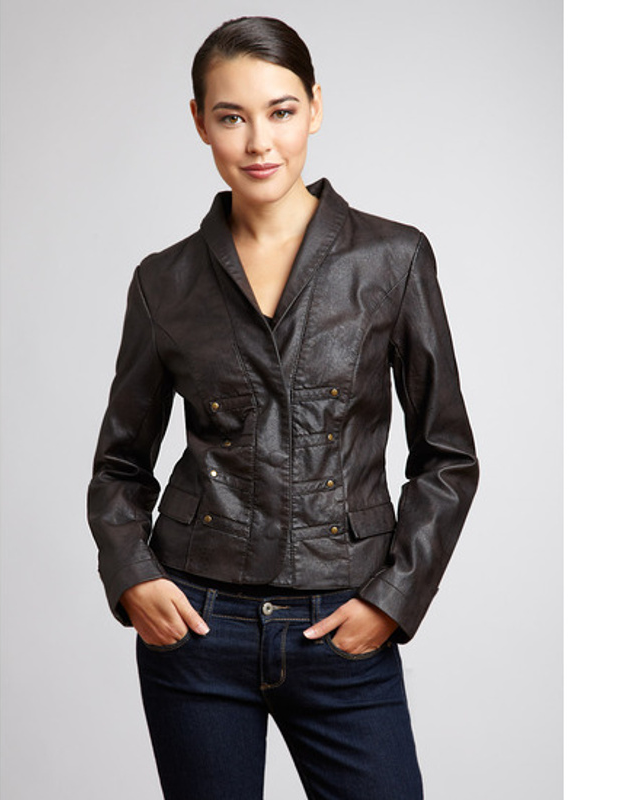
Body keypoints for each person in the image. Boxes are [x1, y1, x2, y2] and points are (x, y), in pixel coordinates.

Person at [87, 15, 479, 800]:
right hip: (197, 628)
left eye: (281, 111)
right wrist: (132, 575)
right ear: (199, 122)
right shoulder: (164, 281)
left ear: (316, 107)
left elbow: (447, 457)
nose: (259, 141)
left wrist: (393, 598)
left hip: (344, 619)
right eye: (232, 116)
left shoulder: (392, 259)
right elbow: (119, 466)